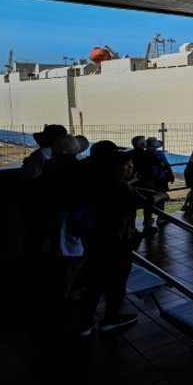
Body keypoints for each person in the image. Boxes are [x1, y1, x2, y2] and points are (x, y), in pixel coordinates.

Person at [77, 143, 142, 336]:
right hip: (116, 242)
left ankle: (85, 323)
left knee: (94, 279)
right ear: (117, 168)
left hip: (94, 238)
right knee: (116, 281)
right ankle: (111, 318)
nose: (131, 168)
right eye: (128, 165)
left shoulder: (93, 180)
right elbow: (140, 202)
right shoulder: (120, 188)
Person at [144, 137, 174, 234]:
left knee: (149, 199)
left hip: (148, 180)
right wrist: (171, 175)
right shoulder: (159, 154)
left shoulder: (144, 153)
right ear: (153, 144)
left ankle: (147, 219)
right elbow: (167, 165)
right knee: (161, 198)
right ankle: (161, 217)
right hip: (160, 179)